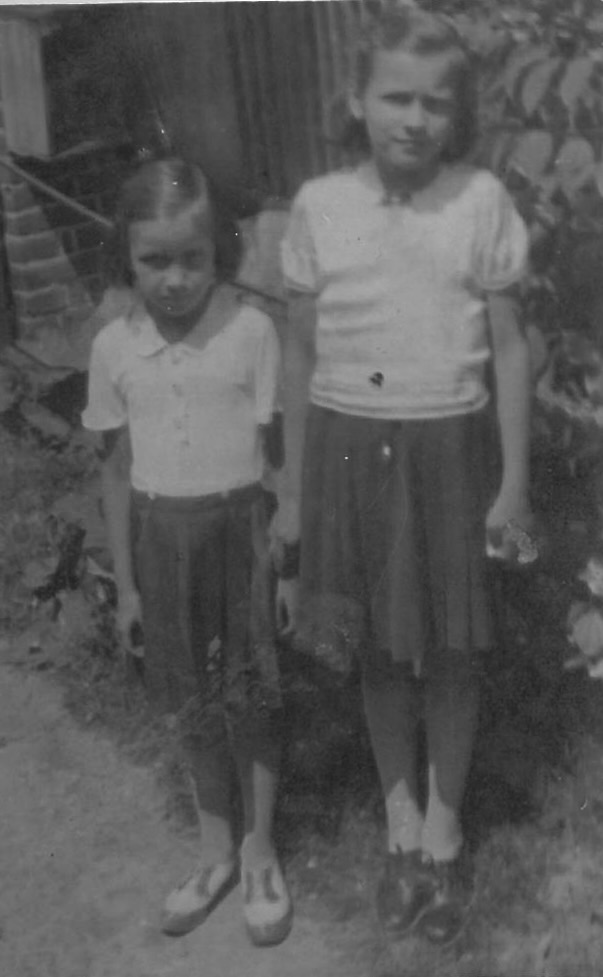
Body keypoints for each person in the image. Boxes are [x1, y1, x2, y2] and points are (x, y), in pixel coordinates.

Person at [274, 5, 531, 948]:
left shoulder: (479, 201)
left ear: (454, 114)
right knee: (381, 649)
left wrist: (513, 483)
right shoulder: (319, 206)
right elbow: (300, 359)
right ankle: (397, 825)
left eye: (434, 103)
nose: (414, 119)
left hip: (450, 448)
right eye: (395, 97)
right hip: (350, 444)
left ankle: (444, 832)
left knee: (452, 649)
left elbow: (510, 350)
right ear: (357, 99)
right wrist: (291, 489)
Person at [82, 158, 292, 947]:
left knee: (250, 695)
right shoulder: (115, 347)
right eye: (154, 260)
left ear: (219, 252)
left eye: (192, 259)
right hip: (160, 541)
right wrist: (128, 586)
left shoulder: (249, 332)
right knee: (194, 701)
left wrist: (285, 560)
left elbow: (275, 457)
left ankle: (260, 850)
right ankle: (215, 851)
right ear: (126, 257)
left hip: (239, 534)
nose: (174, 279)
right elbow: (114, 473)